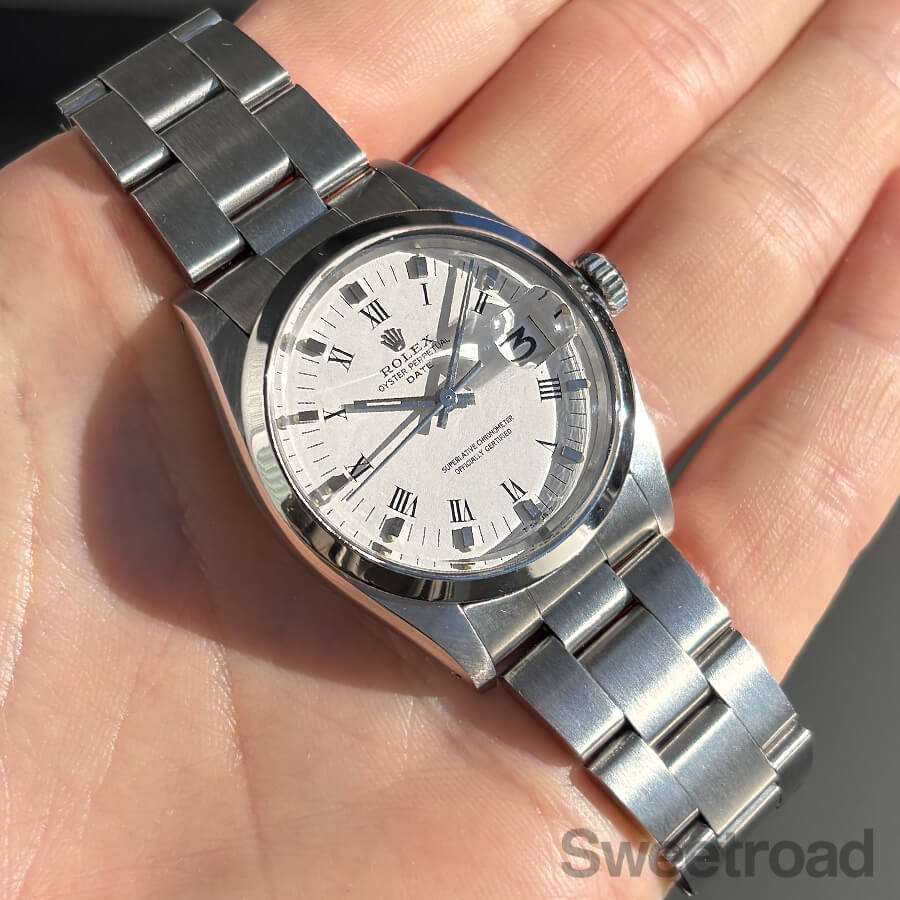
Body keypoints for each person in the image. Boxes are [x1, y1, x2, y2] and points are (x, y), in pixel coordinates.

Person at [1, 0, 898, 895]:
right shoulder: (241, 335)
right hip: (467, 569)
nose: (439, 403)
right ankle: (717, 791)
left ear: (585, 290)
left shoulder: (404, 223)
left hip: (571, 487)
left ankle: (727, 781)